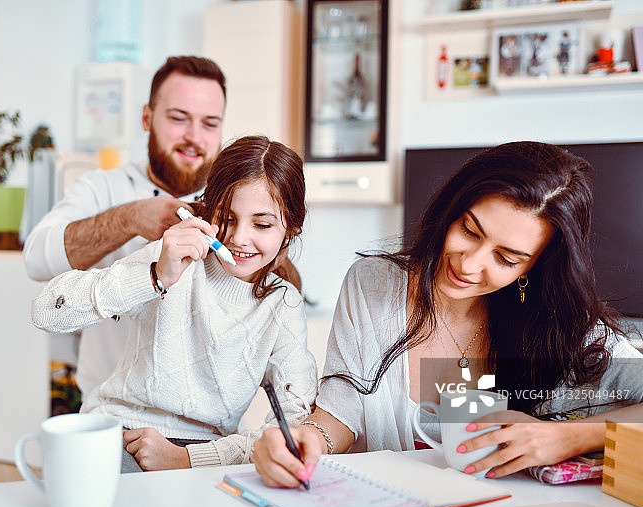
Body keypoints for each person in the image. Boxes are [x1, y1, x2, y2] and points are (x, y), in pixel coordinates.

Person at [251, 141, 643, 487]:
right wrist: (306, 441)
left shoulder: (557, 324)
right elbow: (342, 413)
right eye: (470, 231)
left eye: (506, 258)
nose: (469, 265)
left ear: (533, 268)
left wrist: (568, 437)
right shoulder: (373, 284)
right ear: (452, 209)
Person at [32, 135, 317, 473]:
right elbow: (45, 311)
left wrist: (185, 459)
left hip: (207, 455)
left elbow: (294, 428)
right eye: (226, 218)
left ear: (291, 229)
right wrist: (154, 276)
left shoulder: (284, 304)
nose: (239, 238)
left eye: (262, 224)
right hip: (121, 432)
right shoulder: (170, 258)